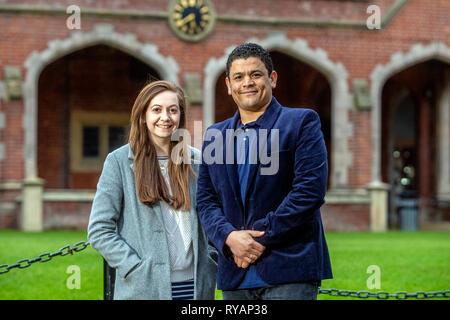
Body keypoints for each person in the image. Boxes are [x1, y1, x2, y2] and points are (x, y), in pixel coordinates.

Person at [196, 43, 332, 300]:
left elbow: (309, 191)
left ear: (272, 79)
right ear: (228, 85)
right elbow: (206, 200)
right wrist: (229, 237)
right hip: (235, 273)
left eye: (256, 74)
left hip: (289, 269)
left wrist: (259, 238)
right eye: (238, 77)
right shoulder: (215, 135)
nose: (247, 82)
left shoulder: (301, 122)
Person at [88, 80, 217, 300]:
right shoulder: (118, 162)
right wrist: (134, 268)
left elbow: (214, 214)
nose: (165, 117)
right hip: (143, 290)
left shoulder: (199, 160)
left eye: (173, 110)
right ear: (143, 115)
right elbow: (99, 229)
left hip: (196, 288)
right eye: (156, 109)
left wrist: (211, 259)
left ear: (180, 116)